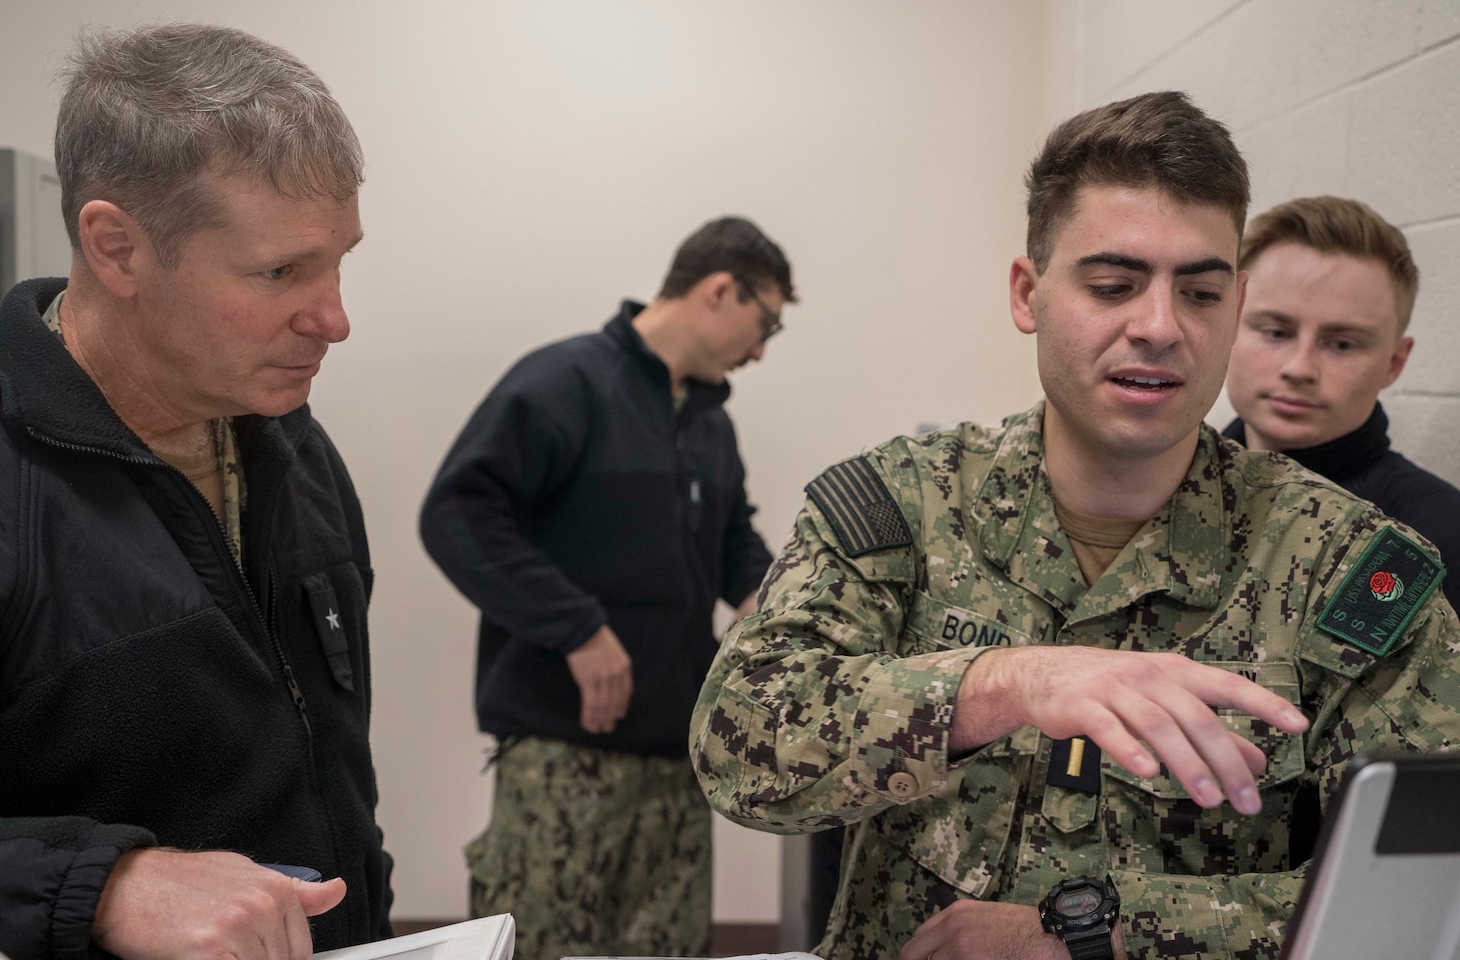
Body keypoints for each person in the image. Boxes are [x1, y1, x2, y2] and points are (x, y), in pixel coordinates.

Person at [690, 92, 1460, 960]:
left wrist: (1107, 935)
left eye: (1200, 292)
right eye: (1112, 285)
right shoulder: (903, 506)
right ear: (1029, 293)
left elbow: (1423, 880)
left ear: (1234, 306)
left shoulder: (1342, 565)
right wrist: (1001, 684)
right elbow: (738, 748)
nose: (1161, 327)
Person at [0, 24, 391, 959]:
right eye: (280, 271)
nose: (334, 317)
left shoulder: (294, 447)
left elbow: (330, 767)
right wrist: (104, 885)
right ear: (118, 248)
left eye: (340, 259)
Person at [419, 216, 791, 960]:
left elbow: (732, 546)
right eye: (766, 325)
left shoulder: (712, 425)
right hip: (565, 755)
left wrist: (777, 607)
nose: (759, 350)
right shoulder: (565, 383)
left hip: (681, 760)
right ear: (720, 289)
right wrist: (577, 629)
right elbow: (457, 513)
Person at [1222, 195, 1460, 608]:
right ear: (1227, 326)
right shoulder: (1149, 487)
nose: (1300, 368)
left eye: (1342, 344)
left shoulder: (1440, 535)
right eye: (1277, 332)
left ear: (1394, 363)